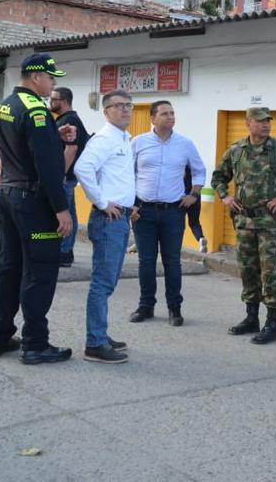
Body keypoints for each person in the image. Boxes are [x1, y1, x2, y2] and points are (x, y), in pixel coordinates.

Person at [0, 53, 77, 364]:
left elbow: (15, 144)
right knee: (40, 272)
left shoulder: (6, 104)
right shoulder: (36, 109)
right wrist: (61, 208)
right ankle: (35, 344)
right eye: (51, 78)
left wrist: (53, 134)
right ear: (36, 77)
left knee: (9, 269)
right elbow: (47, 166)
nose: (53, 85)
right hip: (32, 203)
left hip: (8, 195)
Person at [211, 107, 276, 344]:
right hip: (244, 222)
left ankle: (272, 323)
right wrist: (225, 196)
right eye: (260, 121)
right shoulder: (236, 150)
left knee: (271, 273)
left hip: (269, 224)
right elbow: (218, 177)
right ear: (248, 123)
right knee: (248, 271)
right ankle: (251, 318)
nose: (266, 125)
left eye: (268, 121)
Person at [128, 100, 206, 327]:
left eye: (172, 113)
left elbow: (199, 171)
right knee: (146, 261)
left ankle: (174, 308)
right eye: (165, 113)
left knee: (172, 261)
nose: (170, 117)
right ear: (153, 118)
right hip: (143, 212)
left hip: (173, 212)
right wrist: (131, 205)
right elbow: (127, 174)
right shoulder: (138, 142)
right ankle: (146, 306)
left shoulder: (185, 144)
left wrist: (193, 194)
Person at [75, 90, 136, 364]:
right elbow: (82, 169)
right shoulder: (104, 139)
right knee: (102, 281)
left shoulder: (123, 138)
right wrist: (102, 202)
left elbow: (118, 178)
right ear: (106, 111)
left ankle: (100, 333)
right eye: (118, 106)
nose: (125, 110)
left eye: (128, 105)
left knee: (108, 281)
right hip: (108, 219)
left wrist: (129, 205)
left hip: (121, 217)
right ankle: (95, 343)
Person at [50, 86, 89, 267]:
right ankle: (65, 252)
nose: (50, 102)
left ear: (64, 101)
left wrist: (60, 175)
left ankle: (63, 252)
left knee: (64, 216)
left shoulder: (69, 121)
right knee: (69, 215)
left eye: (54, 99)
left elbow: (71, 149)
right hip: (68, 176)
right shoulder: (66, 119)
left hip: (65, 177)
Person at [184, 163, 208, 253]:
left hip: (183, 197)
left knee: (178, 223)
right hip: (195, 196)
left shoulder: (179, 165)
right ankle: (201, 238)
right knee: (194, 222)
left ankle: (175, 244)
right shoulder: (195, 166)